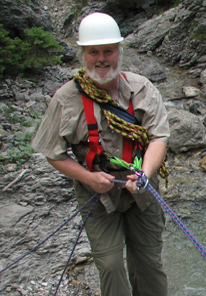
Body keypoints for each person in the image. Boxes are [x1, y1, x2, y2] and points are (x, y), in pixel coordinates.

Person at [32, 12, 170, 296]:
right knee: (108, 264)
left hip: (141, 186)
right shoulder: (66, 99)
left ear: (119, 52)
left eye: (108, 51)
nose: (102, 58)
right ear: (83, 54)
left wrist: (144, 174)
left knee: (148, 263)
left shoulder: (141, 89)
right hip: (96, 192)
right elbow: (53, 153)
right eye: (93, 52)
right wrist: (89, 178)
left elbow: (158, 138)